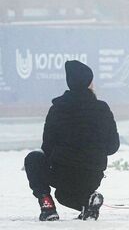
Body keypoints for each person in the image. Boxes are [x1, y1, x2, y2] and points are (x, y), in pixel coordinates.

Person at [24, 60, 119, 221]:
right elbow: (112, 146)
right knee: (63, 195)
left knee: (33, 159)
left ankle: (47, 206)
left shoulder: (57, 109)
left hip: (63, 173)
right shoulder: (102, 109)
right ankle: (88, 201)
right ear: (89, 83)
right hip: (92, 175)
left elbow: (46, 147)